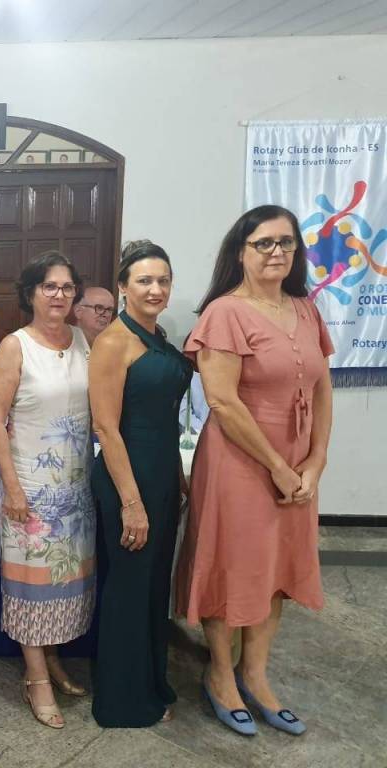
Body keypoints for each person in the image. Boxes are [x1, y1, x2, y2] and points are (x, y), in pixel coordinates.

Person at [175, 206, 332, 736]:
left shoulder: (306, 310)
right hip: (239, 462)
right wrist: (278, 467)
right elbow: (222, 401)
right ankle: (221, 674)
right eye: (263, 243)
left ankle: (256, 674)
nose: (276, 252)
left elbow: (322, 388)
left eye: (285, 242)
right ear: (240, 252)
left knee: (277, 570)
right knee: (233, 566)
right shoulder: (225, 313)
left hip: (297, 464)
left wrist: (316, 460)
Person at [0, 252, 95, 729]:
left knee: (65, 582)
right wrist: (13, 488)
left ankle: (52, 659)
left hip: (75, 489)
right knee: (31, 589)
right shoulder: (15, 347)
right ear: (30, 293)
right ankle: (36, 678)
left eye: (67, 287)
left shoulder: (83, 340)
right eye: (49, 286)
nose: (59, 295)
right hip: (29, 491)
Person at [89, 240, 192, 728]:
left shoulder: (157, 335)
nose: (155, 289)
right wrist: (131, 503)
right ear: (123, 287)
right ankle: (123, 700)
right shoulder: (114, 341)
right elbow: (106, 428)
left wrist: (176, 475)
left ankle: (151, 680)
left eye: (163, 280)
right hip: (126, 478)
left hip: (161, 472)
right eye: (144, 280)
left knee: (153, 585)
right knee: (130, 586)